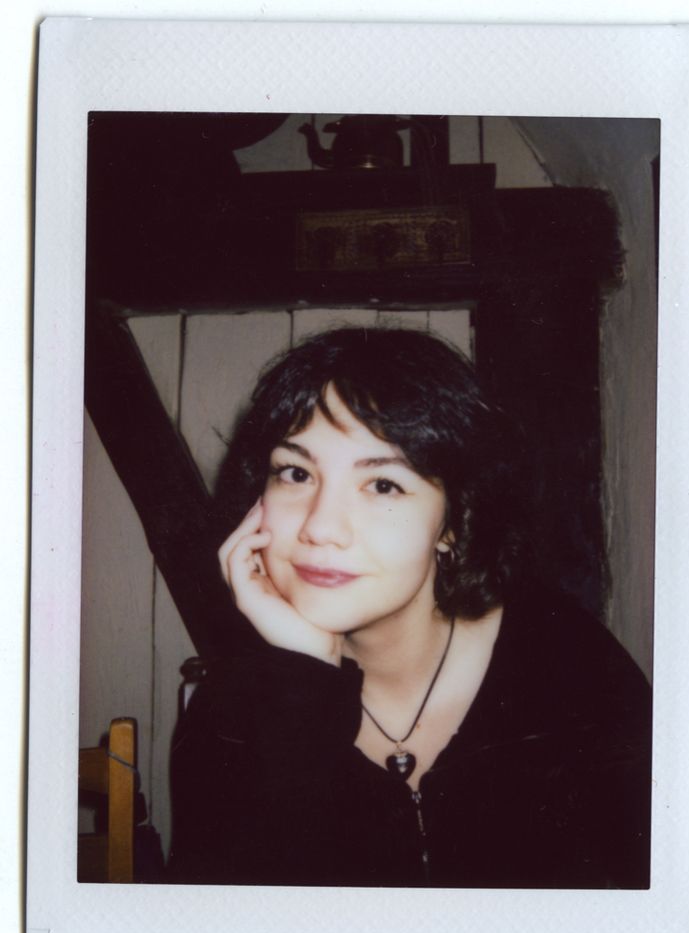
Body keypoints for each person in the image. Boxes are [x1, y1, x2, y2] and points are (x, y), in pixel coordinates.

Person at [167, 327, 651, 888]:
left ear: (453, 521)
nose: (321, 527)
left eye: (383, 485)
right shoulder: (226, 716)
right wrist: (303, 687)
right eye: (296, 473)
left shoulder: (575, 678)